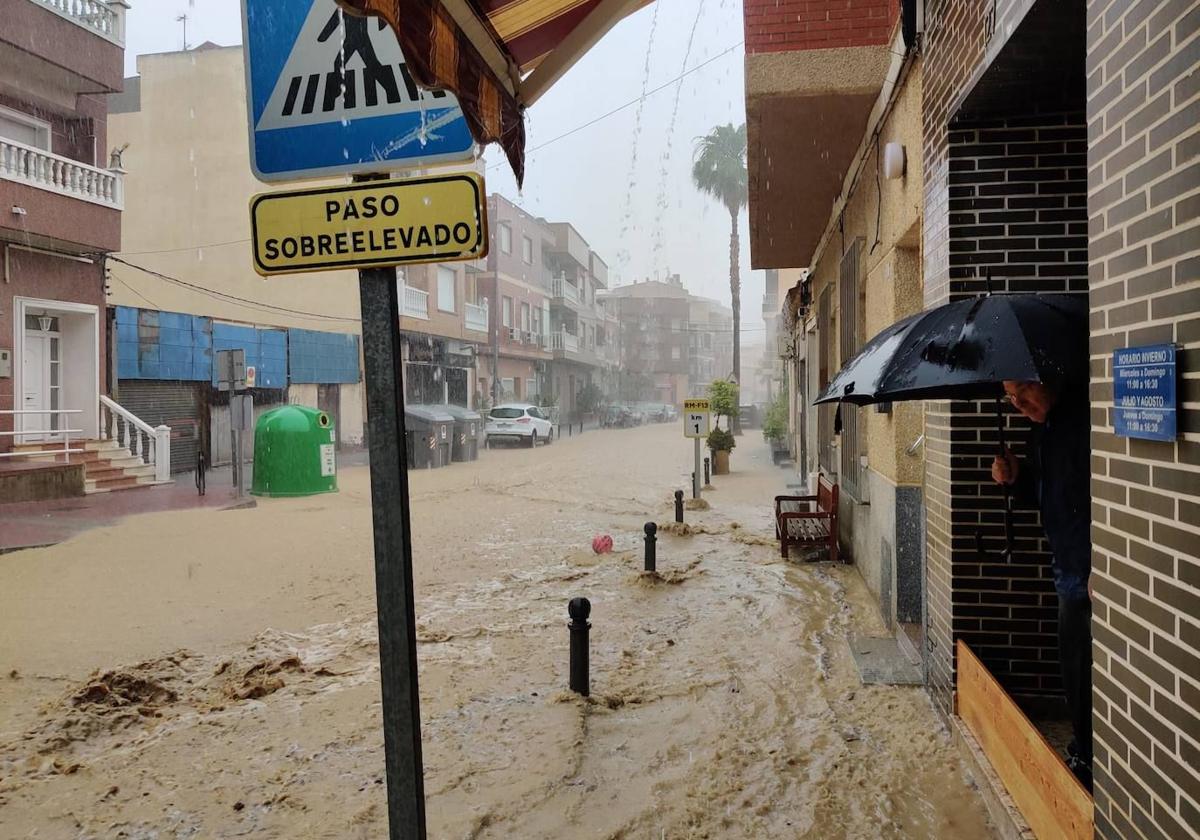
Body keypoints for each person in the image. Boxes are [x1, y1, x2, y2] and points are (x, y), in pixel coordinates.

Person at [992, 379, 1092, 791]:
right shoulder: (1043, 429)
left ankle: (1090, 757)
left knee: (1085, 666)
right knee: (1073, 663)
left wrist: (1099, 561)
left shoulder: (1085, 423)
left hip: (1089, 567)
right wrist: (1017, 478)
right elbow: (1047, 495)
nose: (1018, 404)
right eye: (1011, 398)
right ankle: (1084, 747)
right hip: (1065, 563)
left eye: (1024, 392)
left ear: (1047, 382)